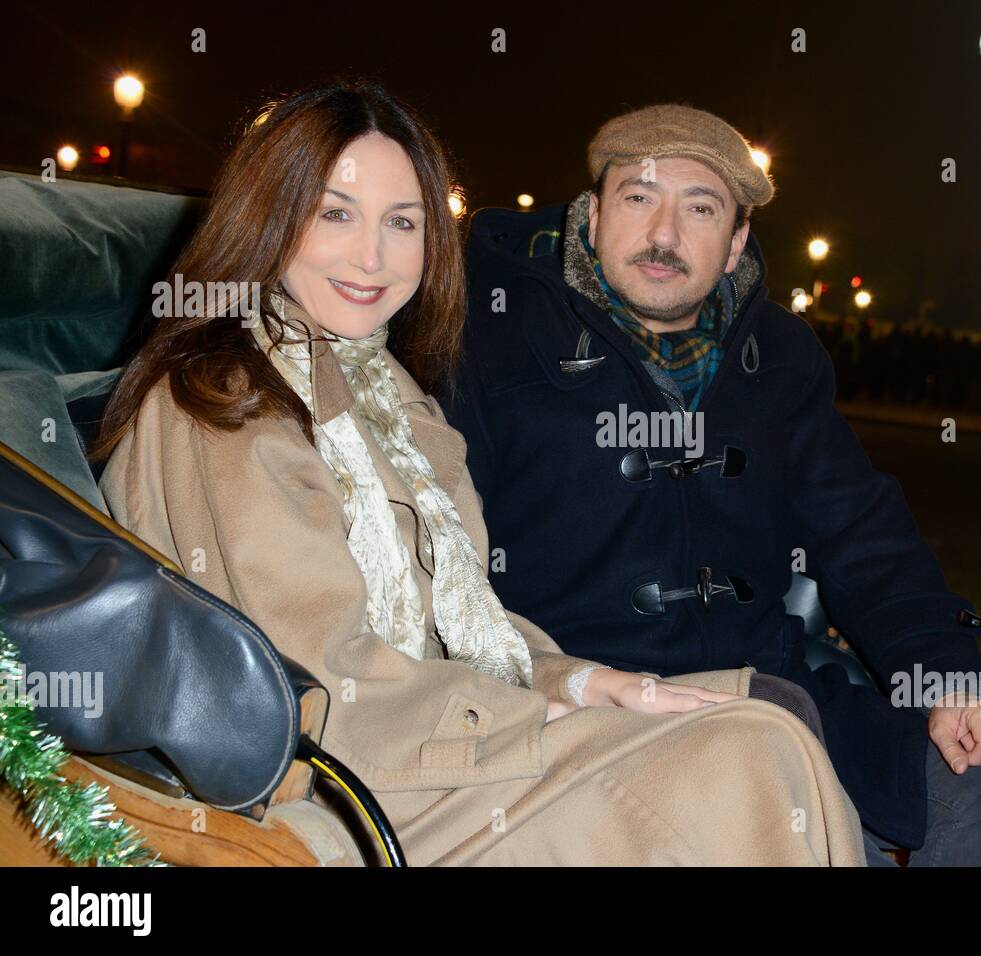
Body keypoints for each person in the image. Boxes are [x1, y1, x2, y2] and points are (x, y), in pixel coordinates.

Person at [90, 82, 866, 867]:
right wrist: (541, 721)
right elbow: (321, 689)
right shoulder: (222, 403)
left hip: (430, 748)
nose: (373, 257)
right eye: (335, 214)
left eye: (403, 223)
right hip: (342, 787)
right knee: (748, 759)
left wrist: (587, 685)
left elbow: (467, 628)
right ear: (269, 217)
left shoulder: (390, 398)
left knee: (771, 728)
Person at [445, 104, 981, 865]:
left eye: (699, 210)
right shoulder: (491, 335)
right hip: (574, 701)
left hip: (760, 683)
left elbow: (865, 535)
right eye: (639, 198)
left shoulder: (780, 358)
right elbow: (437, 552)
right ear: (593, 216)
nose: (665, 234)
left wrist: (948, 680)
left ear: (735, 244)